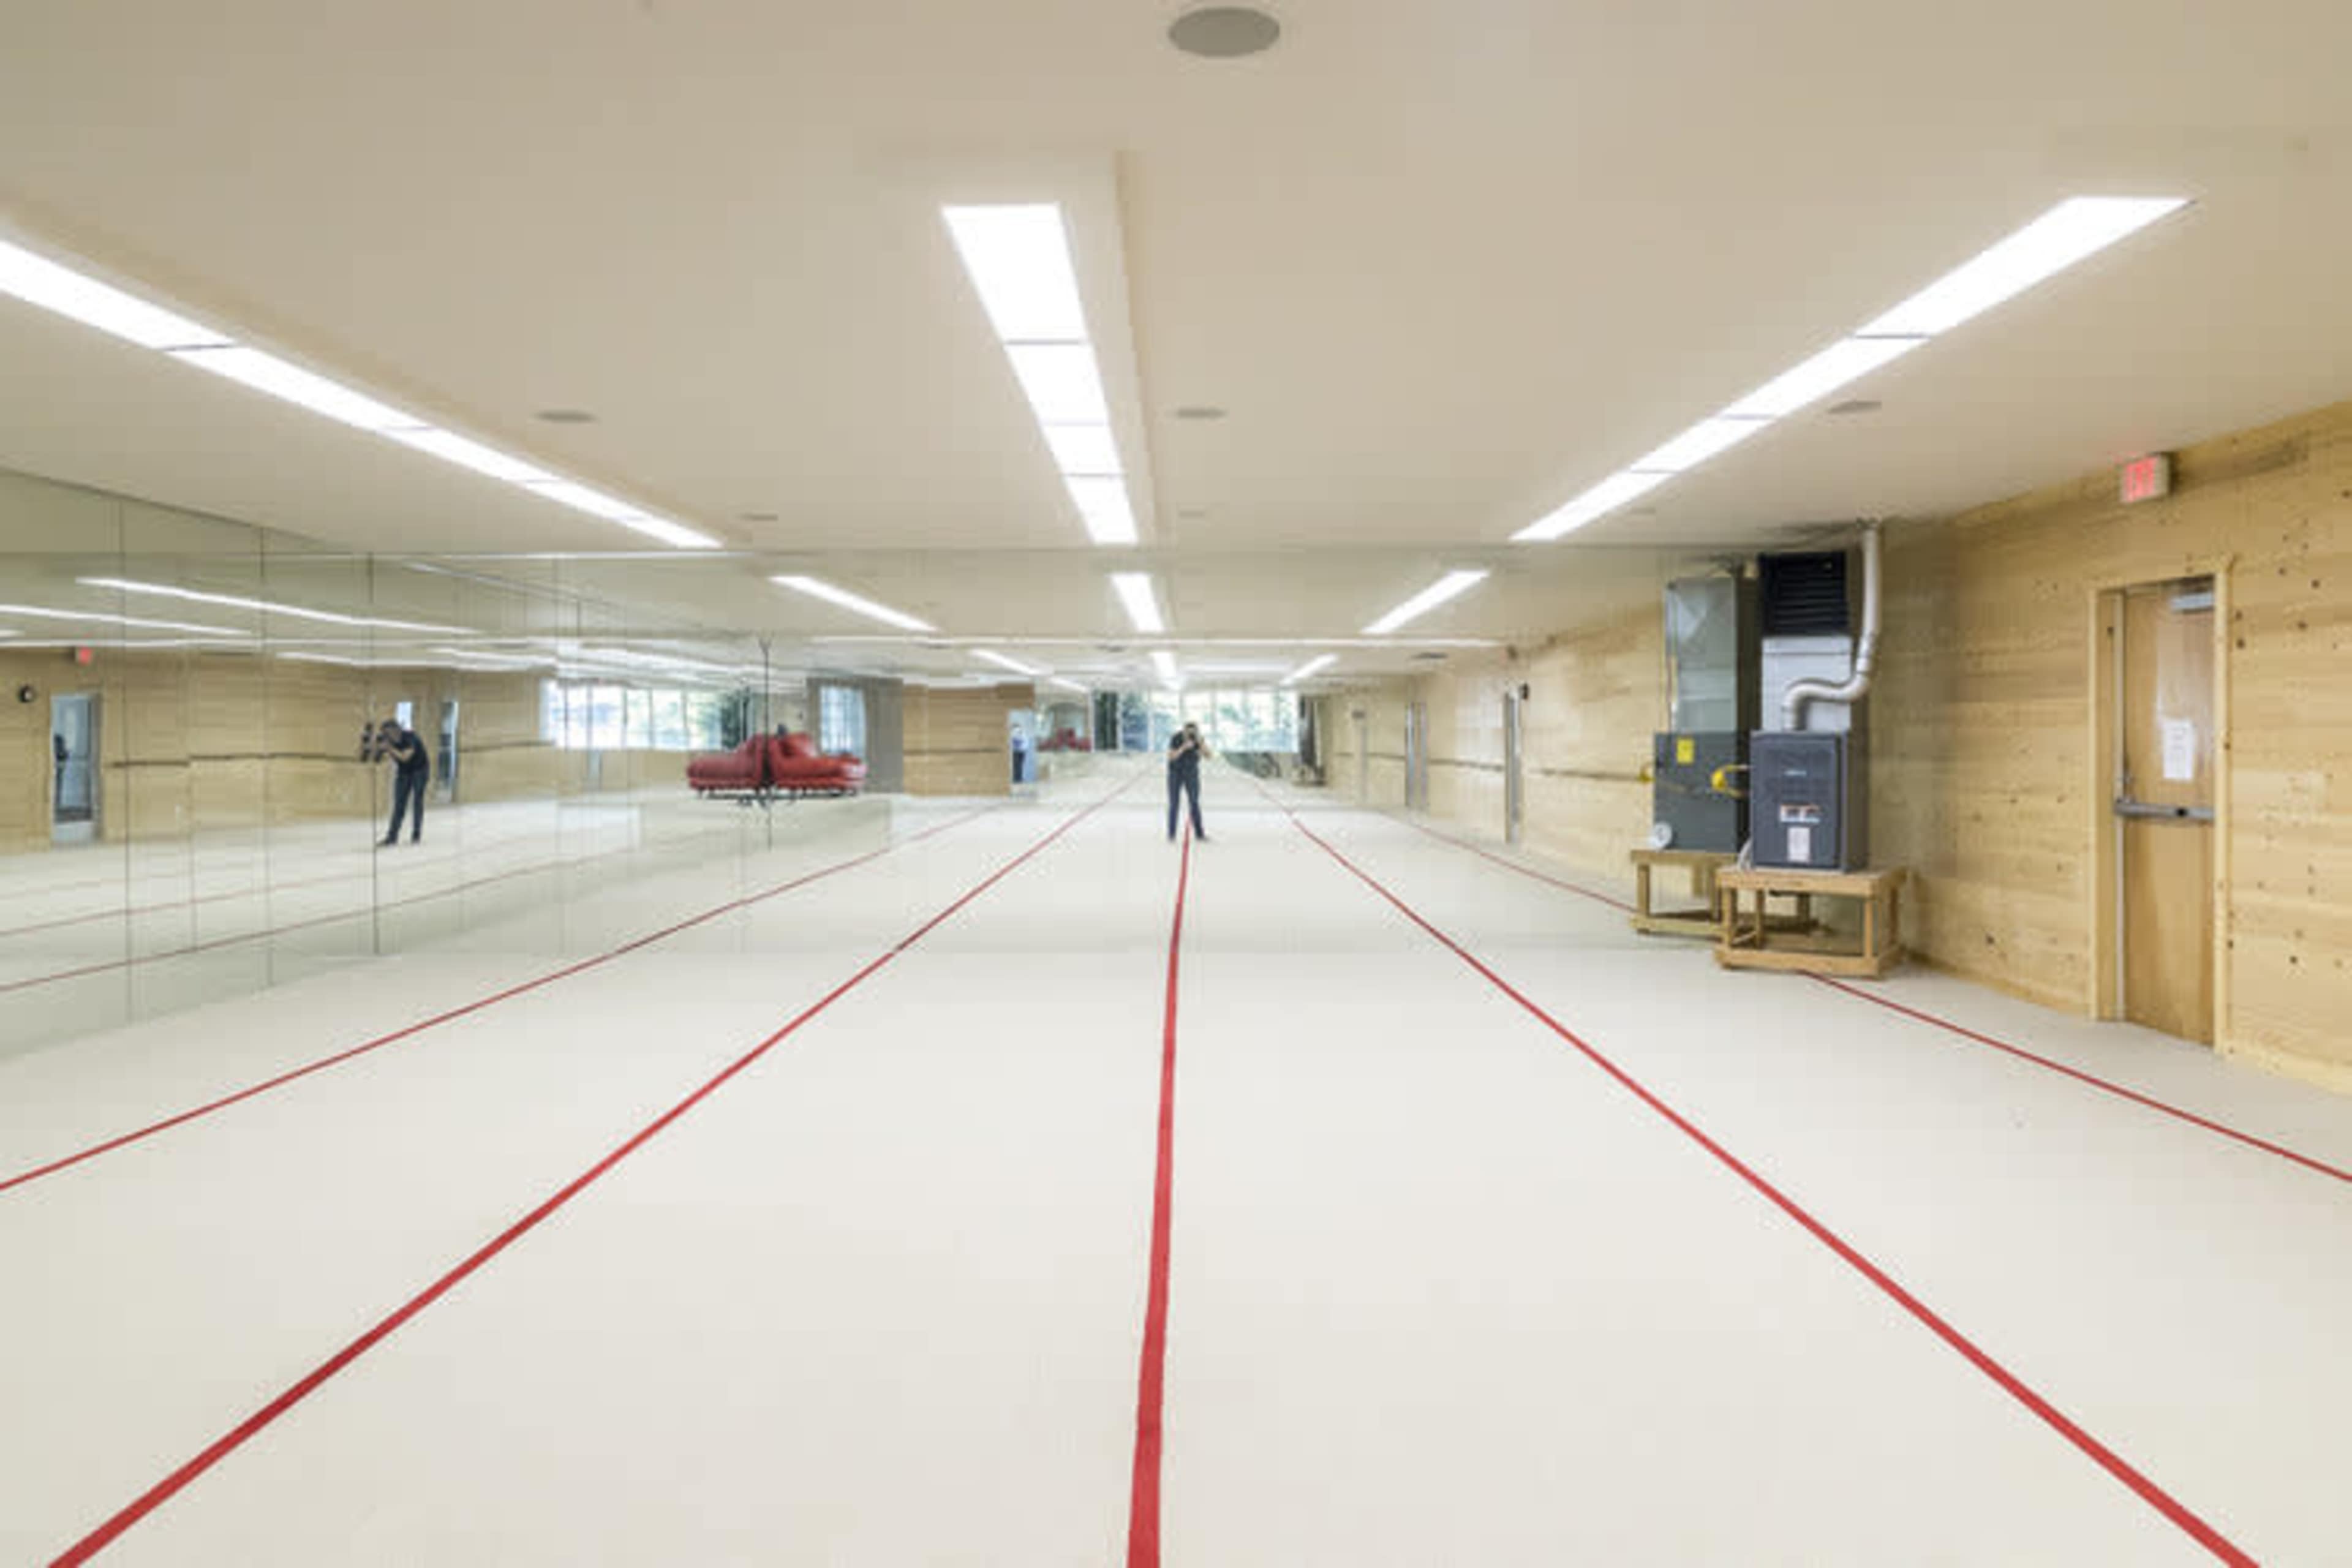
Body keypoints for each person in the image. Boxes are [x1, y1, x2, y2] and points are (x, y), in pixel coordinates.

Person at [368, 717, 431, 846]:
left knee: (417, 801)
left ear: (396, 730)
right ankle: (392, 837)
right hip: (404, 772)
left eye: (388, 732)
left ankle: (416, 834)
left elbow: (405, 757)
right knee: (399, 804)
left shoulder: (410, 737)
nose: (387, 736)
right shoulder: (387, 740)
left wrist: (389, 748)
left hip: (420, 770)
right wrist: (373, 747)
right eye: (385, 733)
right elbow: (374, 758)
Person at [1166, 721, 1208, 843]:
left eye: (1193, 732)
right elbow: (1171, 756)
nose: (1190, 734)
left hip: (1191, 773)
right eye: (1188, 732)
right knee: (1174, 803)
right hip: (1175, 773)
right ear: (1184, 731)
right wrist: (1184, 748)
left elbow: (1209, 756)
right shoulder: (1176, 738)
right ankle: (1171, 834)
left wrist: (1201, 744)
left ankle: (1200, 834)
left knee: (1194, 802)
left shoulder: (1198, 739)